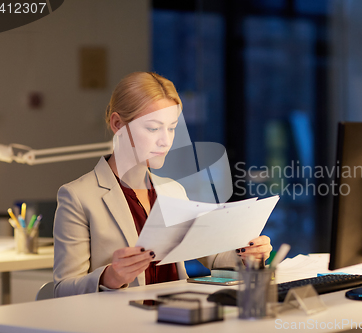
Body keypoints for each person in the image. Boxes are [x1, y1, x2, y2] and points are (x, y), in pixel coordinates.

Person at [53, 72, 272, 297]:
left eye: (171, 128)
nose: (166, 141)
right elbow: (62, 290)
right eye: (153, 128)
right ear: (118, 124)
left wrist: (247, 253)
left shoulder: (173, 190)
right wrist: (110, 277)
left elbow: (211, 255)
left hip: (176, 319)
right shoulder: (78, 196)